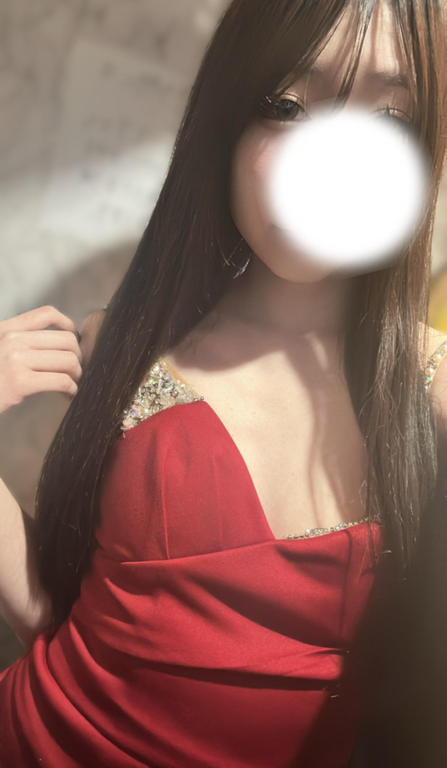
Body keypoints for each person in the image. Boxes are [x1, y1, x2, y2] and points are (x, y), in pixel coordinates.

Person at [0, 0, 447, 765]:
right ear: (226, 118)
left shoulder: (426, 385)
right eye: (286, 105)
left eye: (385, 122)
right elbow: (50, 610)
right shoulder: (123, 345)